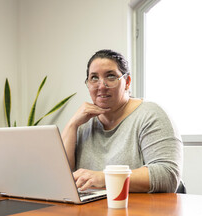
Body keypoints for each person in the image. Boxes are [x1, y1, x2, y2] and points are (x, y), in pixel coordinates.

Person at [62, 49, 183, 193]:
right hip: (94, 211)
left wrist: (105, 178)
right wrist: (72, 125)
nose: (101, 86)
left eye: (111, 76)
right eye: (94, 78)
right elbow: (60, 178)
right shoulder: (82, 123)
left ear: (127, 82)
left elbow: (167, 175)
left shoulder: (151, 115)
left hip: (141, 211)